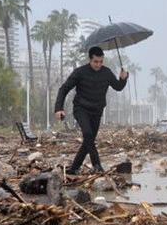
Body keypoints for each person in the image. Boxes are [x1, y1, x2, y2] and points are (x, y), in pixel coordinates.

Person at [54, 46, 128, 174]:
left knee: (89, 141)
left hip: (97, 111)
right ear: (90, 59)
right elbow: (64, 89)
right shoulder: (80, 72)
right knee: (88, 134)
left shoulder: (106, 72)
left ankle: (74, 168)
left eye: (101, 61)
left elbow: (118, 87)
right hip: (81, 109)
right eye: (96, 62)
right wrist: (58, 108)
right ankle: (97, 165)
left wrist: (123, 78)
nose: (98, 65)